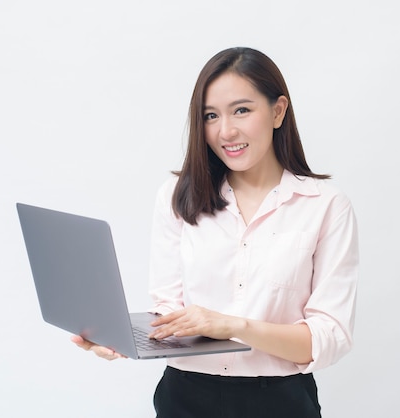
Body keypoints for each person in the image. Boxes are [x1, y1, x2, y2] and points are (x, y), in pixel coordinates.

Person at [72, 46, 359, 418]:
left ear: (278, 111)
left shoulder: (325, 205)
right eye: (210, 115)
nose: (226, 131)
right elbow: (168, 309)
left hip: (279, 401)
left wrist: (233, 326)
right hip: (185, 397)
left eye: (242, 110)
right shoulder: (177, 197)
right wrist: (123, 339)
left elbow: (329, 338)